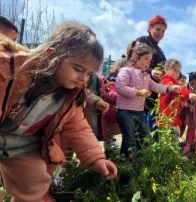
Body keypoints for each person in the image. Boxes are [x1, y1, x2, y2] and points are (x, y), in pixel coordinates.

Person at [0, 21, 117, 201]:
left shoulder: (70, 97)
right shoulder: (10, 71)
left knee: (35, 180)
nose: (83, 78)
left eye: (88, 74)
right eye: (78, 69)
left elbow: (79, 129)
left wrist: (96, 159)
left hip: (20, 145)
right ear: (51, 56)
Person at [115, 41, 181, 159]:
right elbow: (120, 88)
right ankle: (126, 164)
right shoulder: (126, 71)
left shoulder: (145, 75)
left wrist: (170, 88)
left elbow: (156, 86)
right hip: (125, 111)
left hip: (139, 112)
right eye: (146, 59)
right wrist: (139, 92)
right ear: (136, 57)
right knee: (129, 138)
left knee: (144, 136)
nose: (148, 63)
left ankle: (140, 160)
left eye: (150, 60)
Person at [136, 15, 167, 129]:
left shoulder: (160, 51)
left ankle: (147, 144)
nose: (160, 33)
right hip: (140, 84)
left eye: (163, 31)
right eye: (157, 29)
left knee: (151, 117)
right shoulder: (142, 40)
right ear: (150, 28)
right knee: (139, 117)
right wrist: (150, 70)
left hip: (154, 89)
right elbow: (133, 59)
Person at [158, 59, 196, 138]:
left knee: (168, 137)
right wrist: (188, 93)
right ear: (166, 69)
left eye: (178, 71)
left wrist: (182, 101)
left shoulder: (172, 81)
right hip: (168, 115)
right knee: (171, 135)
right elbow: (180, 90)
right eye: (174, 70)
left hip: (170, 114)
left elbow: (177, 95)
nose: (177, 73)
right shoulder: (167, 80)